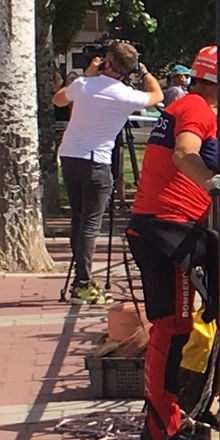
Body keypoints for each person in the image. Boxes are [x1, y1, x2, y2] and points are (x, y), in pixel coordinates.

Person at [125, 46, 220, 440]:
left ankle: (167, 418)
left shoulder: (188, 105)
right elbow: (187, 154)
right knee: (173, 329)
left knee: (174, 327)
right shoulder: (198, 109)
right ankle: (161, 429)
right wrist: (214, 186)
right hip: (168, 229)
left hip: (160, 226)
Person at [52, 40, 162, 301]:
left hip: (70, 156)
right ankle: (83, 281)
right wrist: (145, 73)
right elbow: (157, 96)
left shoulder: (82, 85)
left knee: (79, 219)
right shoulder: (124, 94)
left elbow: (58, 100)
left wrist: (89, 74)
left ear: (107, 61)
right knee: (91, 222)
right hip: (97, 161)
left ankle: (81, 276)